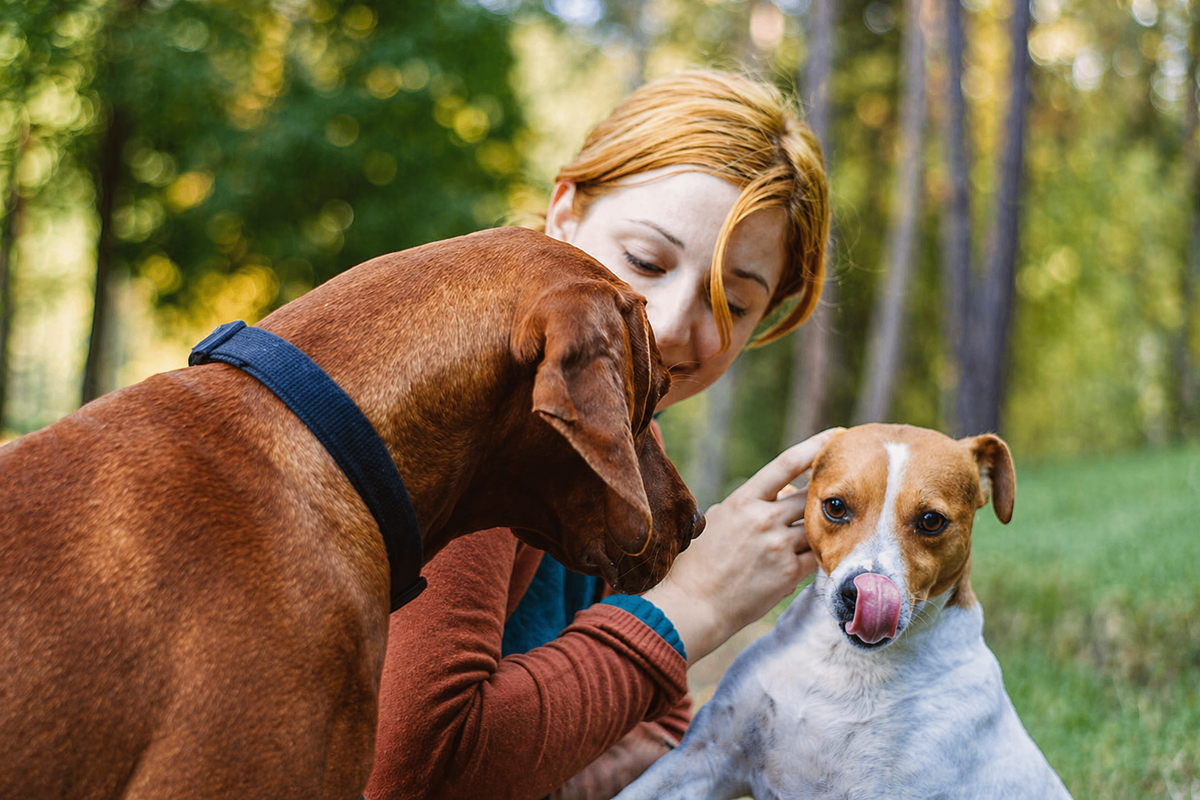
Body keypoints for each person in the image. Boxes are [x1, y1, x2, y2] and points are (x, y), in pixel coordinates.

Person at [365, 69, 833, 800]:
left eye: (732, 303)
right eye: (647, 260)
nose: (676, 325)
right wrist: (692, 605)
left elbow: (655, 724)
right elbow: (417, 770)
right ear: (564, 213)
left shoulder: (628, 445)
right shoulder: (485, 405)